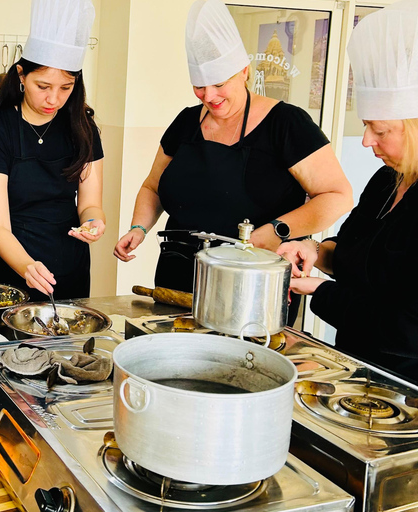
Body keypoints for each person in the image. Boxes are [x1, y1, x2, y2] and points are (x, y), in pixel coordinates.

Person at [113, 0, 353, 300]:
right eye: (199, 86)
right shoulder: (187, 122)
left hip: (252, 285)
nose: (209, 96)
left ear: (244, 71)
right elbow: (153, 186)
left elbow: (338, 197)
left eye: (218, 83)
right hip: (178, 277)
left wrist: (277, 229)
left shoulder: (287, 124)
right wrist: (139, 227)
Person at [278, 0, 418, 383]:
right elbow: (356, 257)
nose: (366, 141)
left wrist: (320, 293)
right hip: (356, 369)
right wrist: (313, 250)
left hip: (405, 391)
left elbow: (407, 332)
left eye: (380, 130)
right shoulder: (386, 180)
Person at [0, 0, 105, 301]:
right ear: (21, 75)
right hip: (8, 267)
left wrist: (93, 222)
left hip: (69, 268)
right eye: (43, 86)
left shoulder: (84, 129)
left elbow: (90, 204)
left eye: (65, 88)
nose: (53, 99)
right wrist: (27, 266)